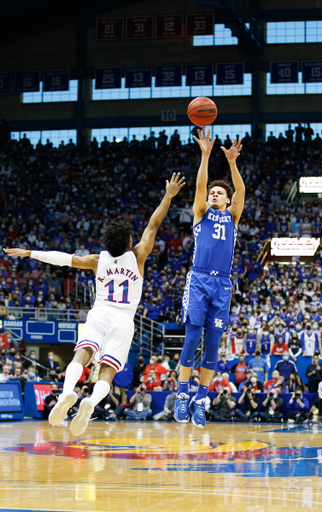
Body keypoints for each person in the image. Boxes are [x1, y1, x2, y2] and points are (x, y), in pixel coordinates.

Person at [4, 173, 185, 436]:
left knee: (82, 356)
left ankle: (68, 392)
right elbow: (154, 223)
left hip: (99, 313)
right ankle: (89, 403)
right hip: (124, 320)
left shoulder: (96, 260)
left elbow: (64, 259)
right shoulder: (138, 256)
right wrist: (168, 195)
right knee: (107, 373)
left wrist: (30, 252)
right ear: (127, 242)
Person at [175, 129, 245, 428]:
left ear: (228, 201)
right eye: (212, 193)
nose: (214, 194)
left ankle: (200, 399)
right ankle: (181, 394)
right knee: (192, 339)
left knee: (214, 346)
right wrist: (205, 155)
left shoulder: (233, 216)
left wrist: (231, 163)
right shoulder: (201, 213)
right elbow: (201, 185)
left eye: (220, 193)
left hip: (223, 284)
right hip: (199, 280)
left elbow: (241, 192)